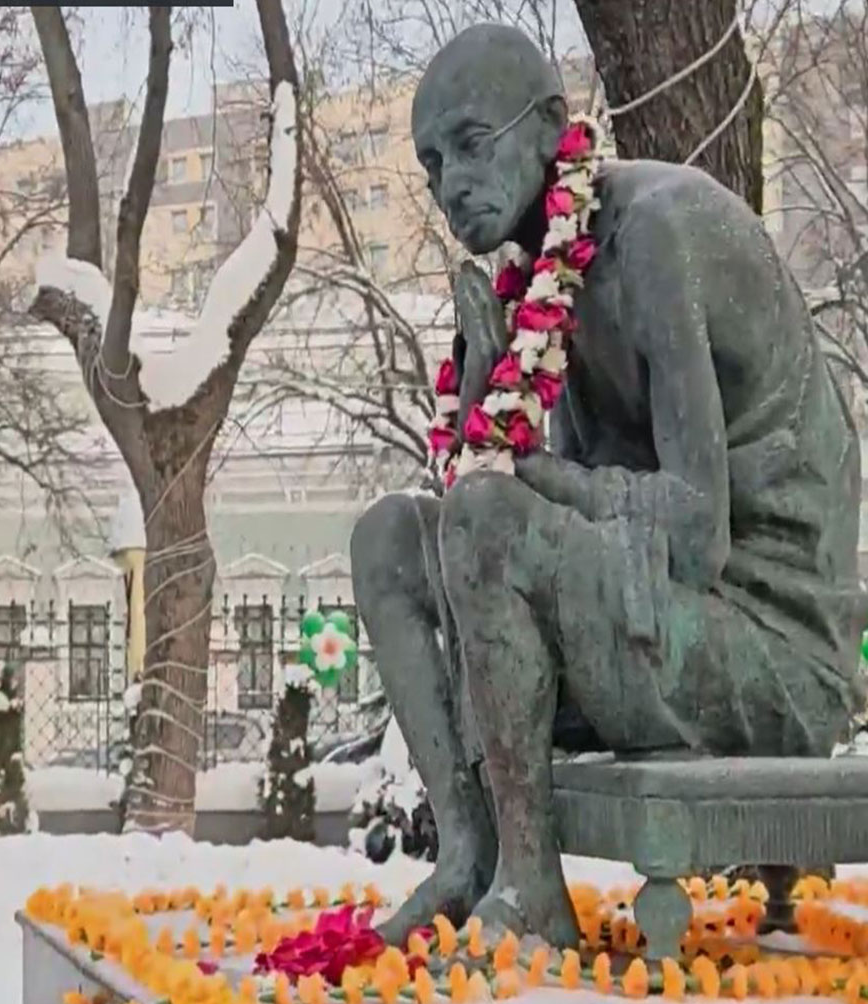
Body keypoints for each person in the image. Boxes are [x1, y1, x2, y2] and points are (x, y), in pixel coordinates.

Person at [351, 23, 865, 946]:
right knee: (391, 538)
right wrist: (484, 407)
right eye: (431, 166)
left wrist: (524, 468)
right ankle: (469, 856)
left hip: (769, 647)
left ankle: (533, 889)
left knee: (484, 515)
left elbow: (699, 535)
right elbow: (542, 521)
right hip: (656, 625)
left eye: (471, 145)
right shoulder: (540, 273)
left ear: (553, 126)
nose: (449, 186)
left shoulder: (656, 231)